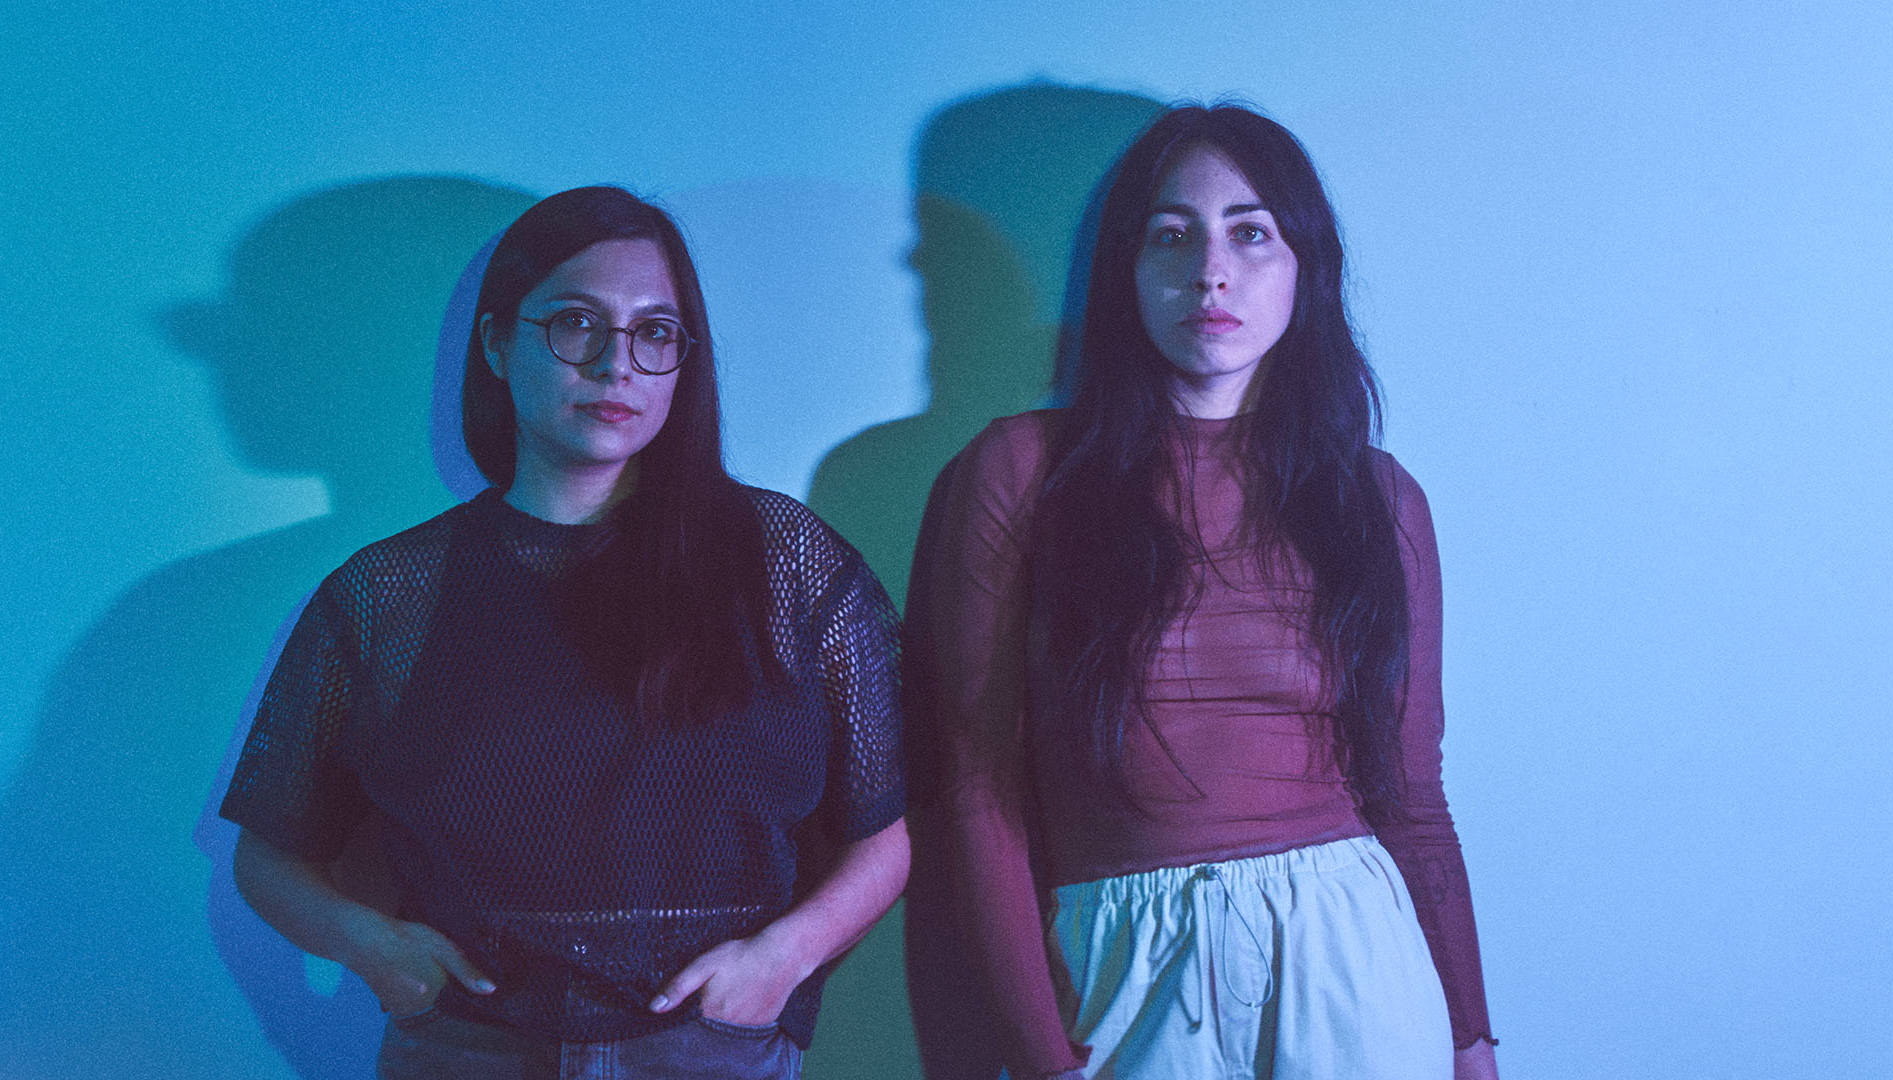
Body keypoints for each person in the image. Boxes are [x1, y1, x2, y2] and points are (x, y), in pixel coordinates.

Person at [221, 185, 908, 1080]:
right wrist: (377, 950)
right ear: (497, 344)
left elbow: (881, 835)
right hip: (469, 1050)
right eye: (577, 323)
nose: (616, 365)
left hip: (709, 1051)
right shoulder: (390, 595)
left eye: (654, 332)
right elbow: (268, 855)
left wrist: (782, 960)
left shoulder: (783, 565)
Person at [905, 106, 1499, 1080]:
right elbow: (977, 791)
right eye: (1172, 235)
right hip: (1126, 966)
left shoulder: (1379, 500)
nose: (1210, 271)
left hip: (1352, 959)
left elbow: (1413, 797)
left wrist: (1471, 1039)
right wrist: (1042, 1061)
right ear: (1126, 268)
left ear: (1304, 267)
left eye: (1250, 233)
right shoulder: (1021, 470)